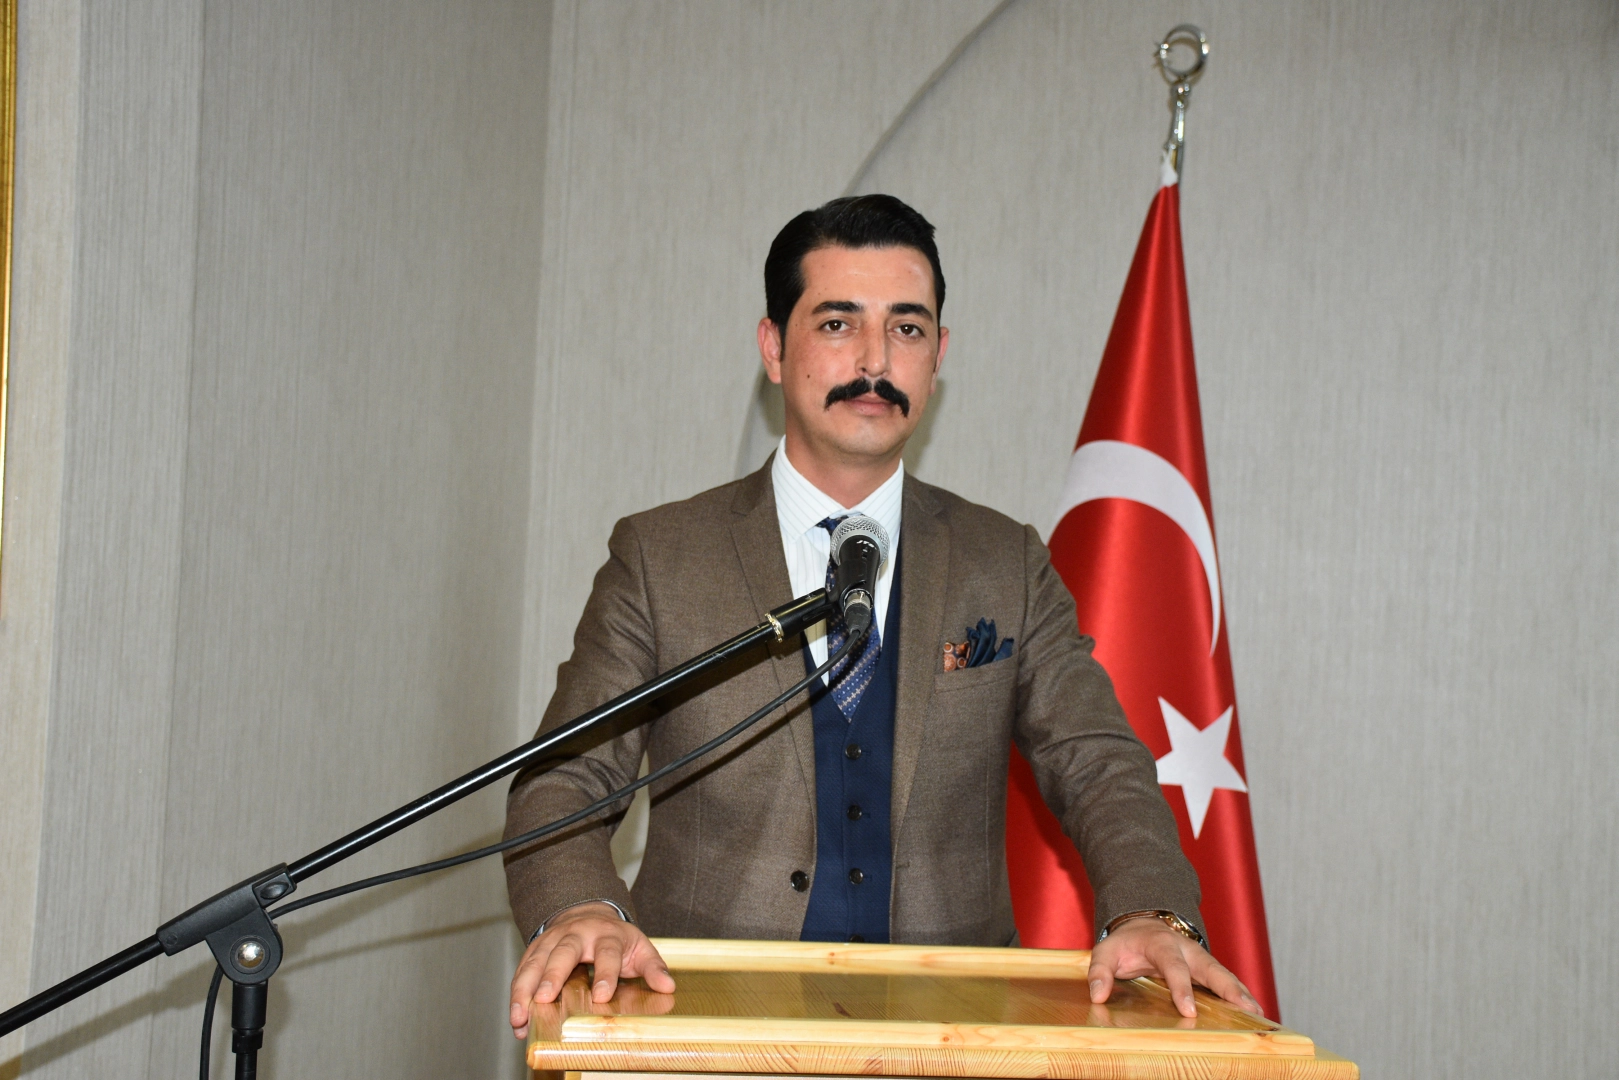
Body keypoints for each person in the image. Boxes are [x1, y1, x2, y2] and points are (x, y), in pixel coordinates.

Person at [503, 195, 1259, 1040]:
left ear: (938, 356)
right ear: (773, 349)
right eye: (837, 324)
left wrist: (1151, 911)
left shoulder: (1004, 560)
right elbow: (562, 780)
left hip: (952, 1032)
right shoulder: (662, 556)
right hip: (707, 1020)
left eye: (905, 328)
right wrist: (583, 907)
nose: (874, 359)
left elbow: (1096, 762)